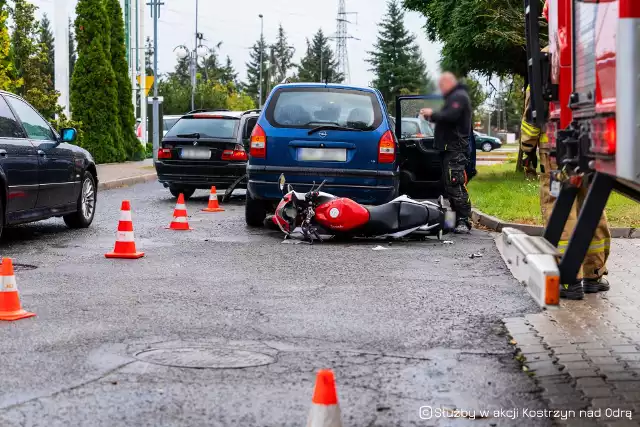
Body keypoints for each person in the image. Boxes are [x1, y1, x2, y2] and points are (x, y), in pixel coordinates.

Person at [519, 0, 611, 300]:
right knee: (592, 207)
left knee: (560, 208)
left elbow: (534, 112)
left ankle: (566, 277)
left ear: (548, 20)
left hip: (556, 148)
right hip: (592, 142)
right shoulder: (593, 52)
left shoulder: (548, 56)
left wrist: (527, 149)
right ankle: (594, 274)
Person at [420, 72, 473, 234]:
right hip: (447, 149)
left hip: (455, 149)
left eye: (442, 85)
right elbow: (444, 119)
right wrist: (431, 118)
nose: (440, 88)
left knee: (455, 185)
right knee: (448, 186)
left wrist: (432, 114)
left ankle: (463, 220)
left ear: (450, 82)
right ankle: (451, 221)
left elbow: (450, 116)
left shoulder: (459, 97)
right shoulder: (453, 97)